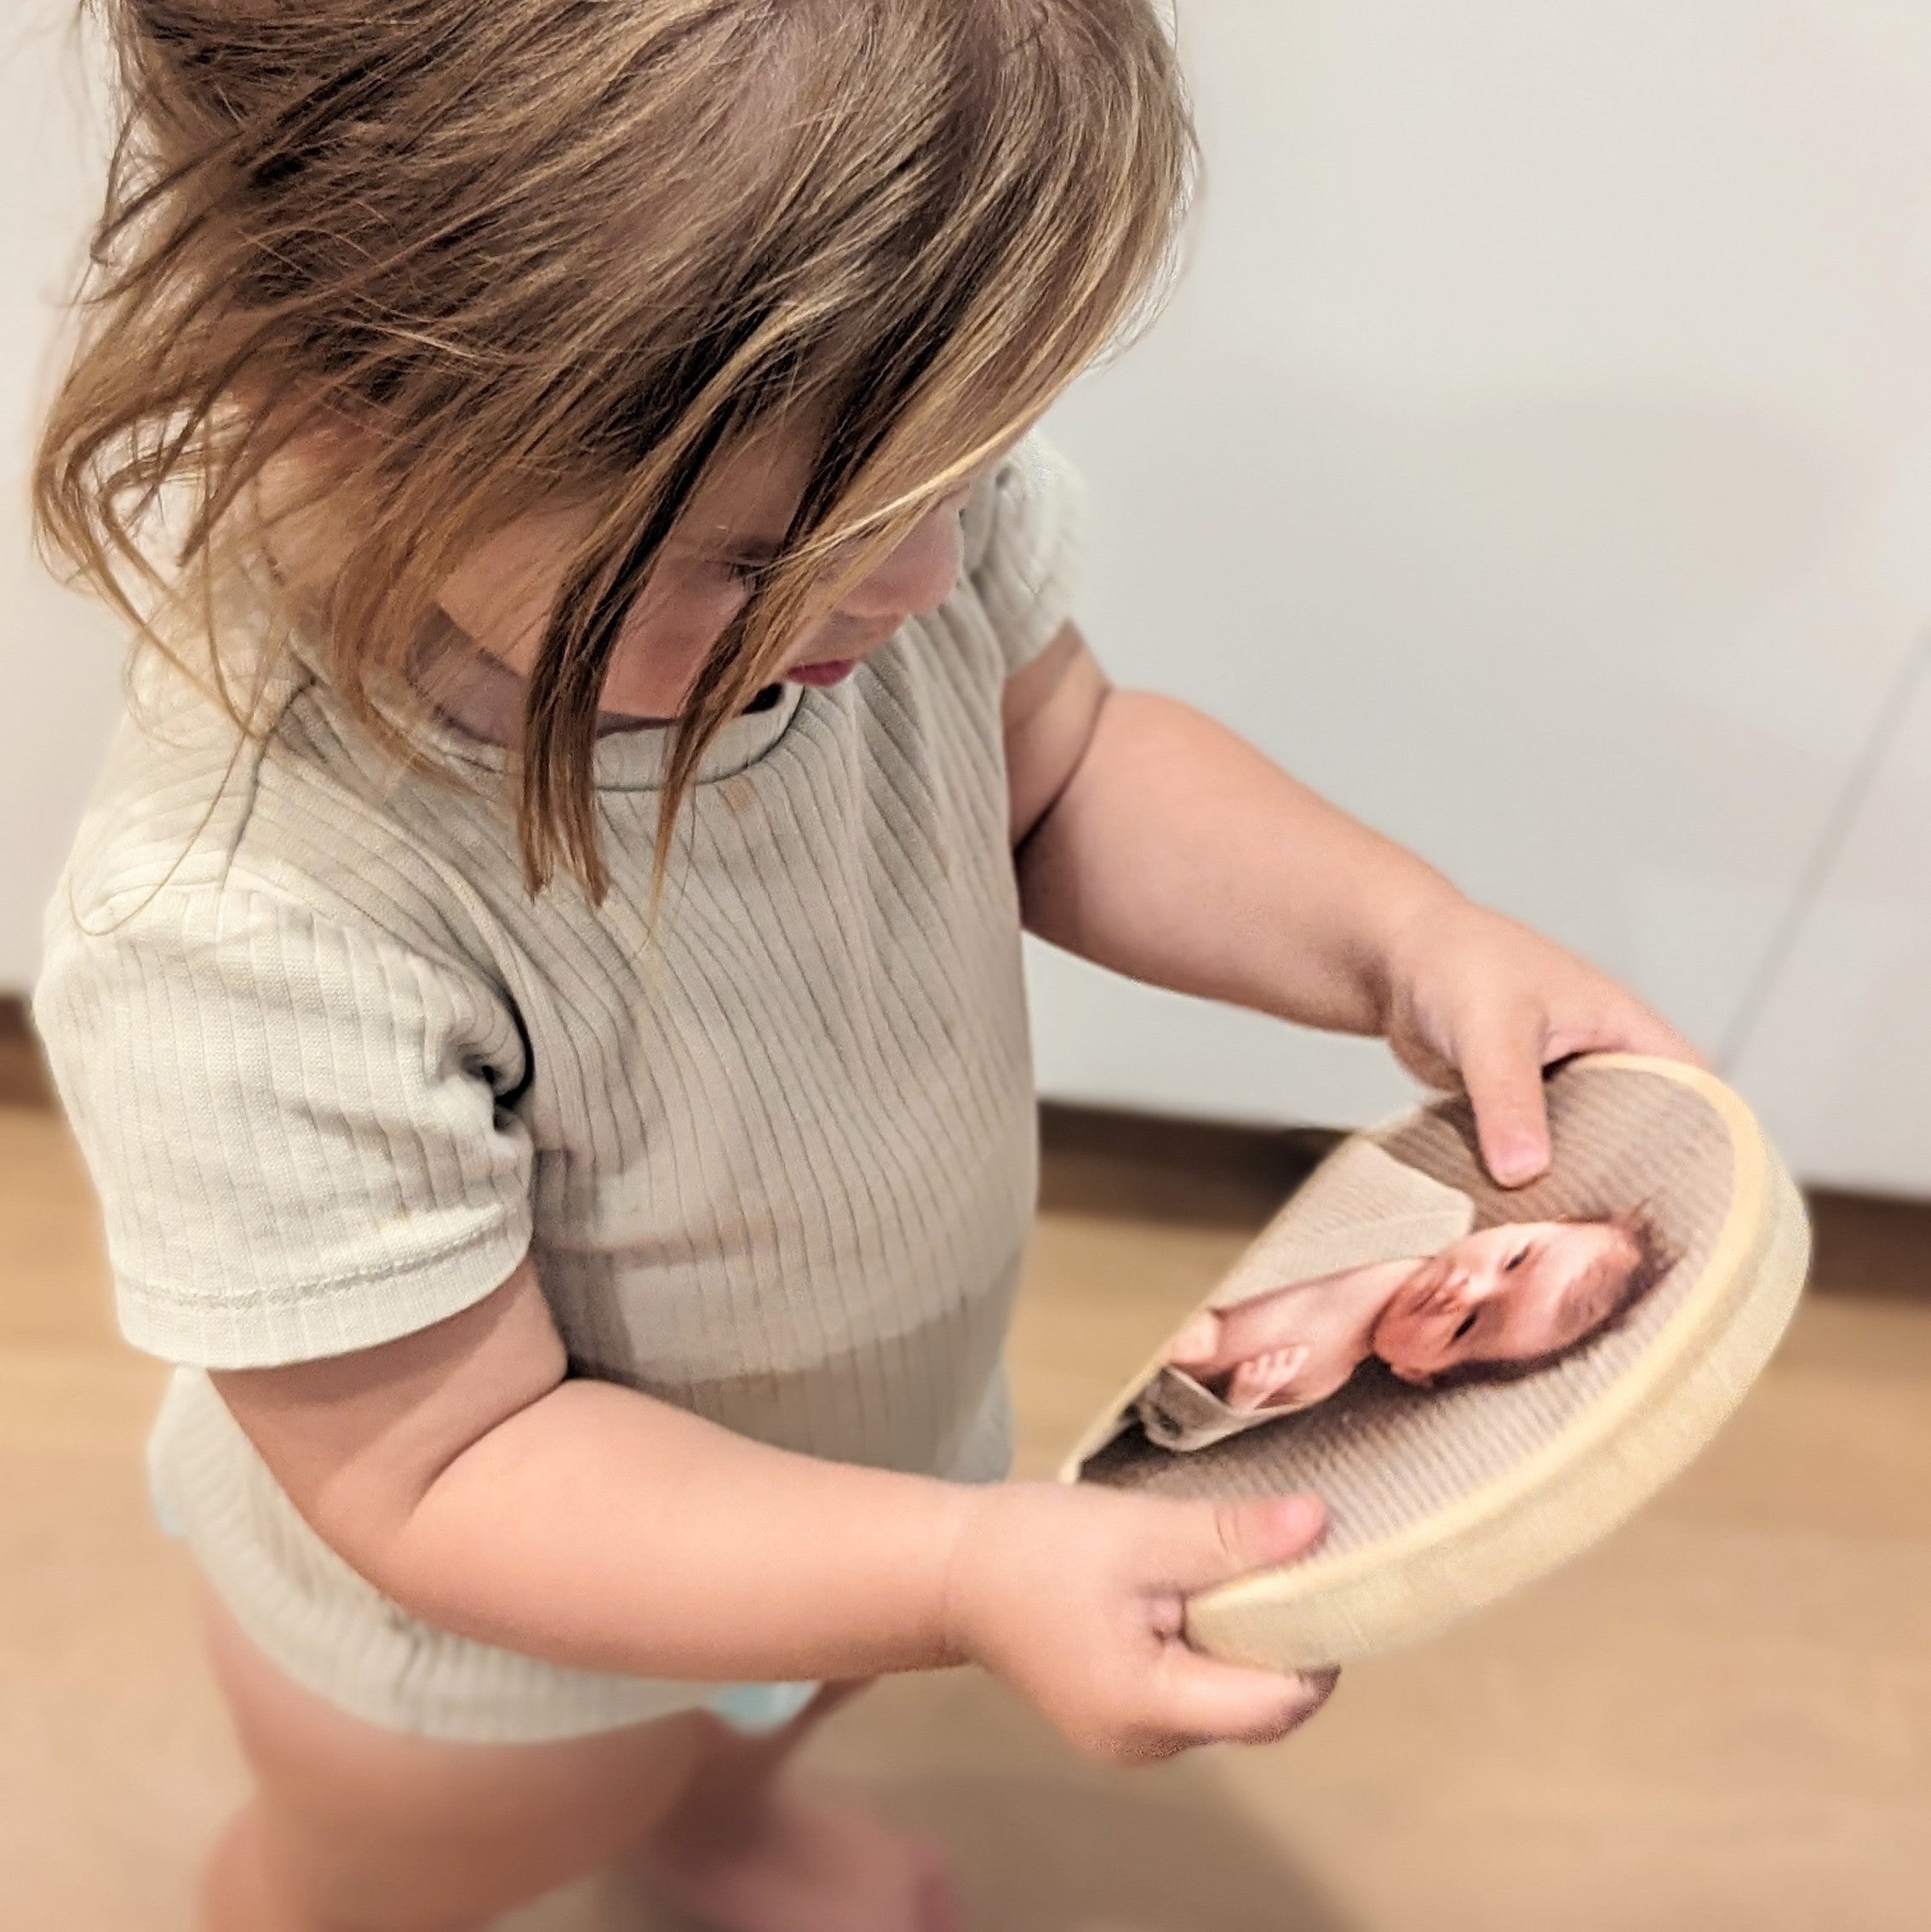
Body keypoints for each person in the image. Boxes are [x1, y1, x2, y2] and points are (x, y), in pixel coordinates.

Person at [31, 5, 1696, 1929]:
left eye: (956, 483)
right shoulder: (248, 915)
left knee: (774, 1703)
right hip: (472, 1682)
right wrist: (955, 1576)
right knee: (370, 1891)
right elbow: (451, 1465)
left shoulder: (865, 532)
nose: (912, 589)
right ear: (345, 406)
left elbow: (1053, 763)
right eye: (764, 558)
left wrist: (1406, 936)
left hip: (876, 1439)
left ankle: (722, 1826)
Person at [1139, 1181, 1670, 1453]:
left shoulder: (1319, 1376)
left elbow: (1170, 1431)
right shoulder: (1421, 1211)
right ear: (1538, 1222)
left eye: (1467, 1327)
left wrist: (1233, 1401)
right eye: (1512, 1260)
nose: (1465, 1292)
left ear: (1416, 1371)